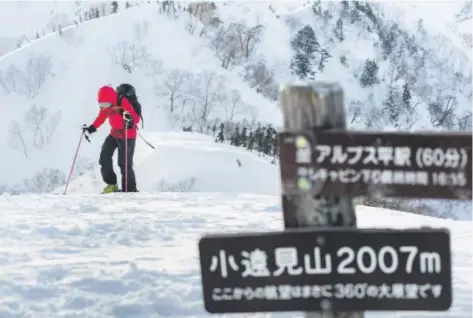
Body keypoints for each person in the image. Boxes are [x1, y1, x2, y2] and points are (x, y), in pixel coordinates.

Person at [82, 85, 140, 193]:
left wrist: (129, 120)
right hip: (114, 133)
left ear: (111, 99)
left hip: (127, 135)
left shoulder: (121, 101)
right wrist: (92, 128)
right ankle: (112, 184)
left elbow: (135, 118)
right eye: (101, 105)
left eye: (106, 104)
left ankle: (130, 190)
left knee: (124, 163)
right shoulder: (107, 106)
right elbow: (101, 117)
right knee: (105, 156)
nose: (104, 107)